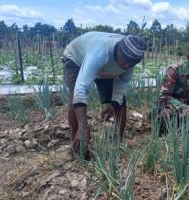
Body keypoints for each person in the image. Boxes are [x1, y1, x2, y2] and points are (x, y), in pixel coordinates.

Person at [62, 31, 146, 159]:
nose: (126, 66)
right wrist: (84, 126)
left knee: (121, 103)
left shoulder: (130, 58)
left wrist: (113, 103)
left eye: (131, 64)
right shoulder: (100, 53)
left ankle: (119, 143)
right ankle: (76, 145)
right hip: (76, 59)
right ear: (118, 51)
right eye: (124, 62)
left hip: (105, 68)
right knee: (74, 97)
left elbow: (121, 84)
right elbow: (81, 88)